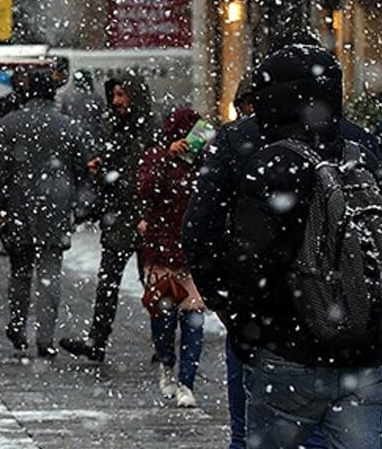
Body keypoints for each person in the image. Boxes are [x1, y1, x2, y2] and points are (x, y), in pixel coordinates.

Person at [184, 44, 373, 449]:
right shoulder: (363, 147)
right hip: (362, 347)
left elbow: (202, 232)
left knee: (250, 433)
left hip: (280, 340)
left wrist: (234, 312)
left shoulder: (242, 144)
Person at [0, 68, 89, 358]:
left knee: (20, 271)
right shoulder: (68, 126)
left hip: (20, 205)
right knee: (50, 274)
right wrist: (81, 207)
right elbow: (81, 170)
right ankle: (45, 337)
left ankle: (18, 326)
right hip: (55, 206)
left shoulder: (10, 124)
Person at [60, 73, 156, 363]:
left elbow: (138, 174)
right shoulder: (116, 128)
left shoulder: (148, 130)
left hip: (143, 217)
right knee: (108, 282)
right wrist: (101, 168)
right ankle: (97, 340)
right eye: (114, 95)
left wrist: (112, 174)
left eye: (121, 95)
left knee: (151, 284)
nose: (116, 102)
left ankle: (161, 341)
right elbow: (117, 170)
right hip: (121, 218)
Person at [136, 107, 207, 408]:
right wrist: (167, 157)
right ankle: (167, 364)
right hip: (163, 253)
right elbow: (145, 189)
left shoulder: (205, 160)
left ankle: (187, 382)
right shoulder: (155, 156)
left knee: (193, 323)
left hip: (193, 253)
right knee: (163, 321)